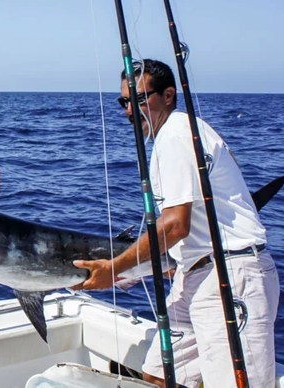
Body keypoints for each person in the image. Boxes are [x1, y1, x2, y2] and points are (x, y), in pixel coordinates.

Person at [73, 59, 279, 388]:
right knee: (158, 374)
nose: (130, 110)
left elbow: (174, 226)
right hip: (195, 276)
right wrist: (178, 261)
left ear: (169, 95)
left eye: (140, 99)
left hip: (228, 278)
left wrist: (113, 269)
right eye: (124, 101)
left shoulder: (174, 136)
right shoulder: (186, 132)